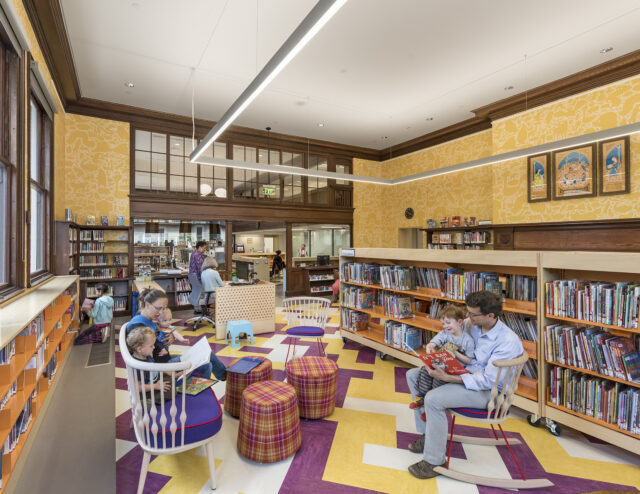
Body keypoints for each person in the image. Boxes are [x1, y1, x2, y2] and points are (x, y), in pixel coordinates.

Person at [405, 290, 523, 479]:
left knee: (433, 399)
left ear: (490, 316)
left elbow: (488, 380)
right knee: (412, 375)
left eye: (473, 314)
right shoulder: (471, 324)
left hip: (490, 392)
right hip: (466, 374)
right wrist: (434, 346)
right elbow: (447, 332)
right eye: (467, 312)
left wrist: (449, 378)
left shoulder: (507, 342)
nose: (467, 317)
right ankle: (429, 435)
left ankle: (434, 460)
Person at [127, 288, 227, 380]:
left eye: (164, 308)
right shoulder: (138, 325)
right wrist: (165, 340)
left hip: (164, 360)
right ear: (147, 305)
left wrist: (171, 336)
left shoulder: (145, 317)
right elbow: (154, 348)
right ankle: (221, 380)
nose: (161, 312)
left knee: (207, 353)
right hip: (161, 367)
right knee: (206, 364)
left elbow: (158, 338)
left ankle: (225, 377)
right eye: (158, 308)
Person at [408, 305, 475, 419]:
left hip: (455, 369)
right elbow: (437, 339)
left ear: (459, 322)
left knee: (439, 378)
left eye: (448, 322)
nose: (445, 326)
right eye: (443, 323)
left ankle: (430, 409)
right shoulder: (445, 333)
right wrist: (431, 345)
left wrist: (455, 352)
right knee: (426, 369)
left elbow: (469, 360)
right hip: (443, 363)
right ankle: (422, 396)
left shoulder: (467, 340)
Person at [126, 326, 173, 403]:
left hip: (153, 381)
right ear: (139, 349)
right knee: (169, 392)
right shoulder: (137, 366)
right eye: (151, 346)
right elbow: (137, 387)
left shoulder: (147, 355)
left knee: (170, 380)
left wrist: (165, 371)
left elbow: (153, 367)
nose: (154, 347)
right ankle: (147, 401)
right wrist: (155, 386)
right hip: (146, 390)